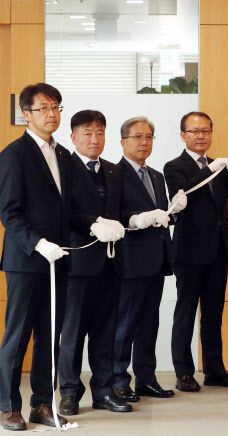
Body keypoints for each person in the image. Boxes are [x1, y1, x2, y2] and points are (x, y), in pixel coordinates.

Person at [164, 111, 228, 392]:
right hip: (189, 253)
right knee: (186, 313)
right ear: (183, 135)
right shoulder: (174, 166)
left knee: (214, 314)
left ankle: (215, 370)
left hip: (218, 251)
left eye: (206, 131)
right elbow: (186, 191)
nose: (201, 136)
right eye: (194, 131)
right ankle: (184, 372)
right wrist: (210, 169)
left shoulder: (220, 166)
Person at [0, 83, 71, 430]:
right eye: (44, 108)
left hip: (59, 261)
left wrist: (97, 223)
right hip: (27, 260)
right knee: (17, 338)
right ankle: (7, 407)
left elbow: (69, 207)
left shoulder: (63, 154)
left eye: (56, 107)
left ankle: (42, 404)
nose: (52, 114)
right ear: (26, 114)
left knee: (50, 336)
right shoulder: (15, 154)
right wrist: (38, 242)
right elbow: (9, 212)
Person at [57, 110, 130, 416]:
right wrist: (92, 223)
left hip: (111, 264)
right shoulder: (64, 168)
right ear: (73, 137)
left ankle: (104, 391)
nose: (94, 139)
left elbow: (121, 212)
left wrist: (136, 219)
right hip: (78, 264)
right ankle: (69, 392)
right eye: (87, 133)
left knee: (105, 333)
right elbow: (63, 212)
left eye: (100, 132)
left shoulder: (113, 170)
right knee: (73, 334)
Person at [111, 116, 187, 402]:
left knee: (148, 323)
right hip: (130, 261)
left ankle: (146, 379)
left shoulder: (156, 175)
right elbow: (114, 214)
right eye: (137, 137)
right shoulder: (114, 173)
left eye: (148, 137)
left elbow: (161, 216)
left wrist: (174, 211)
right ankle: (119, 380)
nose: (144, 142)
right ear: (123, 142)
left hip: (157, 259)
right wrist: (137, 218)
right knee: (125, 324)